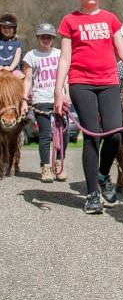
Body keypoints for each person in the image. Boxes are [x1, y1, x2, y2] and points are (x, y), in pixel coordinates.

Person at [54, 0, 123, 214]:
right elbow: (65, 57)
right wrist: (59, 90)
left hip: (109, 82)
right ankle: (91, 195)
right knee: (92, 136)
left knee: (115, 135)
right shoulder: (70, 20)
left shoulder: (110, 19)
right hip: (81, 83)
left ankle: (102, 174)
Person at [23, 23, 70, 183]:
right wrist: (24, 99)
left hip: (59, 98)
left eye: (49, 37)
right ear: (38, 38)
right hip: (41, 98)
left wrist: (67, 95)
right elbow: (28, 79)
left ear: (53, 39)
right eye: (43, 37)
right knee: (45, 134)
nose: (46, 39)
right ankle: (45, 167)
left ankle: (59, 163)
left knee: (64, 133)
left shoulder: (60, 54)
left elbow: (66, 78)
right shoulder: (31, 56)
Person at [0, 13, 24, 79]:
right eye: (4, 27)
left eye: (10, 28)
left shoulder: (17, 43)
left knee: (23, 78)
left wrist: (11, 67)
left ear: (14, 29)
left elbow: (17, 57)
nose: (7, 30)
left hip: (13, 69)